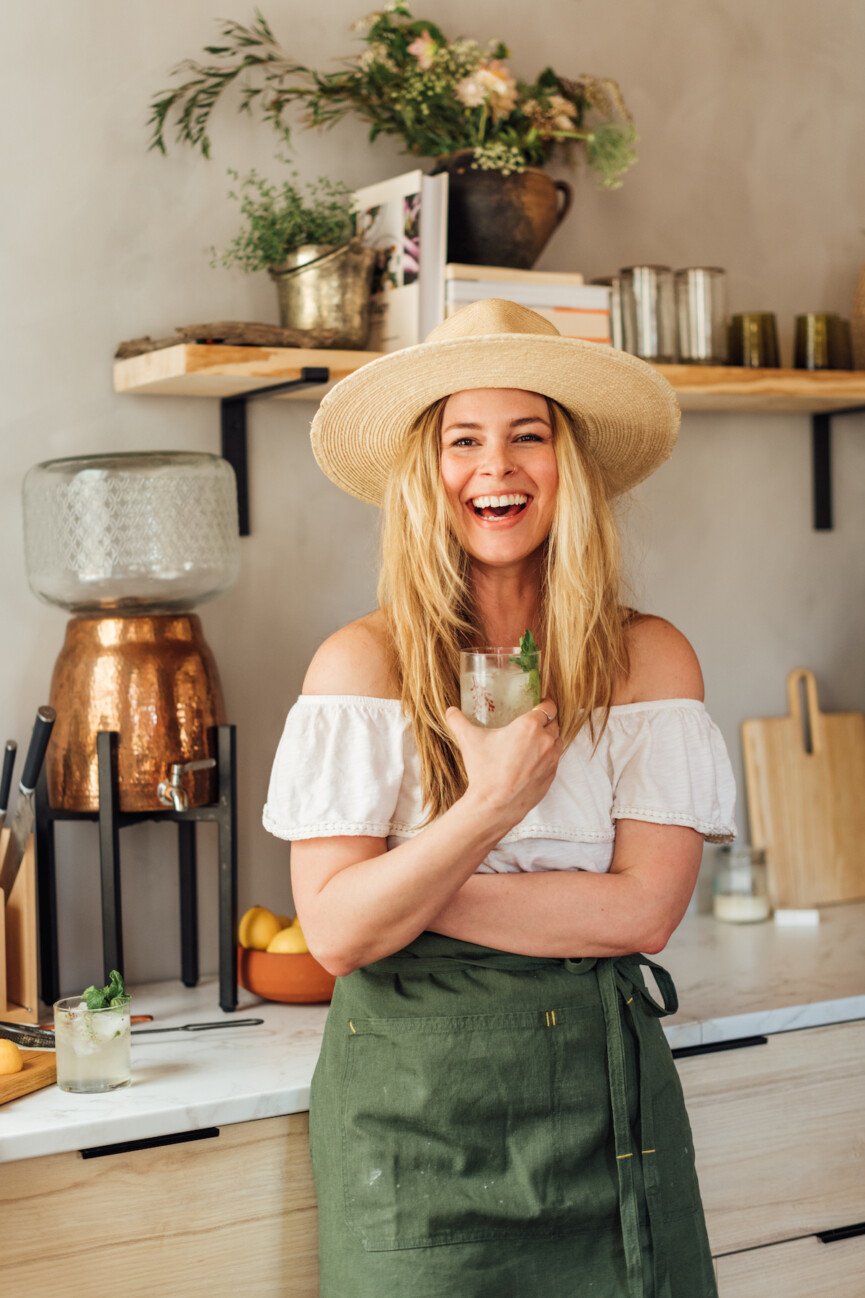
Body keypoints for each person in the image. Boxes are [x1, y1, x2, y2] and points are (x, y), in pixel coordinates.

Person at [263, 298, 736, 1298]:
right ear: (423, 474)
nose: (496, 468)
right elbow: (339, 936)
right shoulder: (362, 665)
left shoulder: (647, 659)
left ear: (570, 464)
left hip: (604, 1115)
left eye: (529, 435)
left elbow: (645, 908)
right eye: (462, 439)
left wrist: (402, 891)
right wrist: (491, 805)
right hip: (408, 1123)